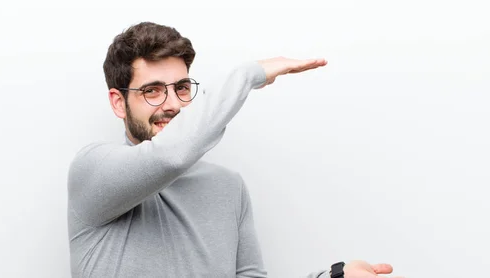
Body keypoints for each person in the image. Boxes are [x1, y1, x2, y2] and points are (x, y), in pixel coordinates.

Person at [67, 22, 401, 278]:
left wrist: (331, 277)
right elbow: (172, 154)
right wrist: (250, 74)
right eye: (152, 91)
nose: (172, 105)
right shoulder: (92, 171)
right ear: (118, 102)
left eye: (182, 88)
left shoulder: (228, 187)